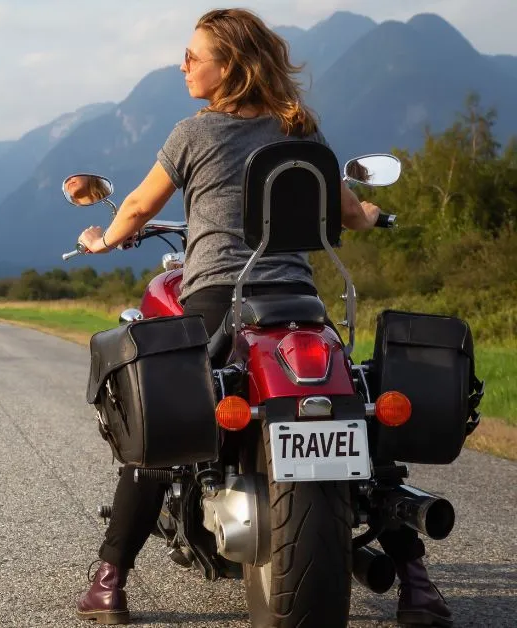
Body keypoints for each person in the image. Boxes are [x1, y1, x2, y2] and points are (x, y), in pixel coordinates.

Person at [72, 8, 452, 627]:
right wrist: (376, 214)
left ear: (231, 67)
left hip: (218, 296)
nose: (183, 65)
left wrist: (101, 240)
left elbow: (139, 206)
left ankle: (110, 583)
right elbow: (350, 213)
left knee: (166, 428)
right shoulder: (300, 130)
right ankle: (417, 582)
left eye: (194, 56)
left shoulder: (193, 133)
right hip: (300, 306)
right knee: (356, 422)